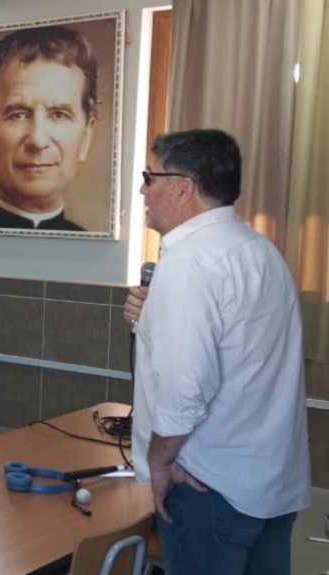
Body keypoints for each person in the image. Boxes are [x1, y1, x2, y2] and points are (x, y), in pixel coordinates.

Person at [124, 129, 311, 575]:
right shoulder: (260, 250)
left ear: (183, 186)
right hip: (268, 481)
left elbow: (186, 388)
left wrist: (159, 460)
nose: (143, 189)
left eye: (150, 177)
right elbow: (241, 347)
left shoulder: (190, 262)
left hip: (209, 485)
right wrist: (151, 318)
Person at [0, 25, 97, 230]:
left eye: (59, 115)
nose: (38, 140)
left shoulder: (94, 253)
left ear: (86, 137)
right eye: (18, 115)